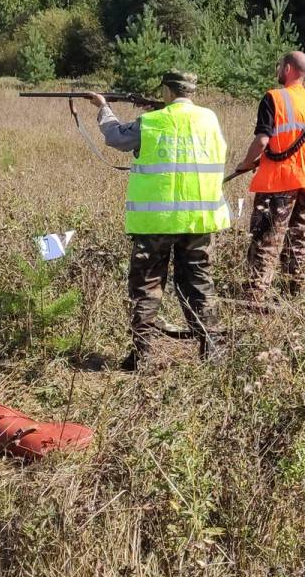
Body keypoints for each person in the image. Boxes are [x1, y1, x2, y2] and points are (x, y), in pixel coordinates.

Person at [82, 71, 229, 371]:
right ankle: (212, 349)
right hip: (199, 221)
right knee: (199, 284)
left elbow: (115, 137)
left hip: (155, 223)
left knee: (146, 286)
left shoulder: (151, 122)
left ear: (165, 90)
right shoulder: (209, 120)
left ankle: (142, 356)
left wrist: (102, 107)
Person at [237, 51, 305, 303]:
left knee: (266, 238)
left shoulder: (274, 98)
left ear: (289, 68)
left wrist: (246, 163)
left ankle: (255, 297)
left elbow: (262, 139)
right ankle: (296, 292)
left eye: (280, 65)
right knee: (299, 237)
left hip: (280, 181)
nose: (277, 70)